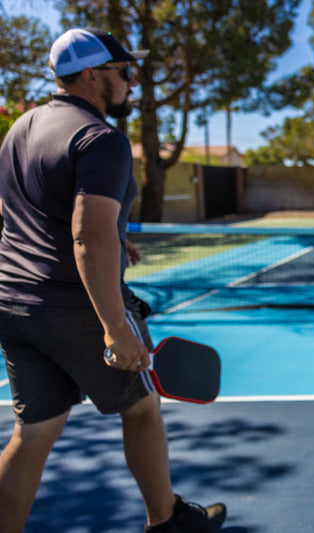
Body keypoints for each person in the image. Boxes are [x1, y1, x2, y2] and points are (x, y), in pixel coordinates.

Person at [0, 28, 225, 532]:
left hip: (14, 304)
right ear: (91, 76)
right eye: (124, 72)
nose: (131, 82)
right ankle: (166, 521)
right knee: (143, 407)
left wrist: (114, 239)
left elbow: (19, 211)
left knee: (33, 432)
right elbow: (87, 235)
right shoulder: (101, 138)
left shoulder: (22, 127)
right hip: (75, 306)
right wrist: (114, 327)